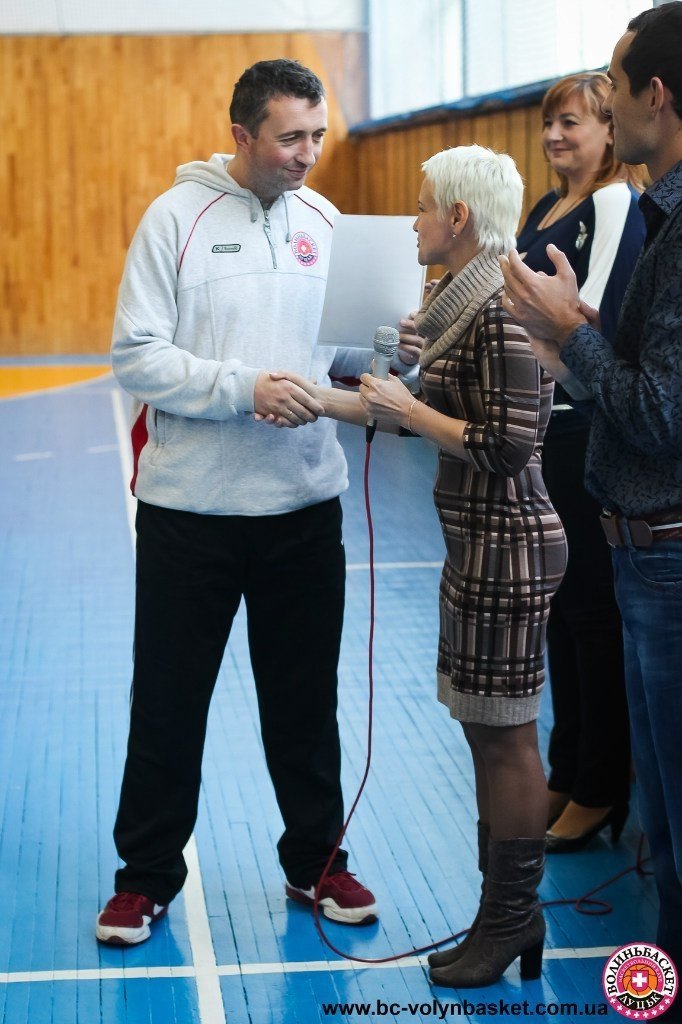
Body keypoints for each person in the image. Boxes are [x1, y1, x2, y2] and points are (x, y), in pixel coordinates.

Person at [96, 58, 420, 945]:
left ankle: (317, 861)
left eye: (317, 135)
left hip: (303, 510)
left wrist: (394, 348)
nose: (308, 155)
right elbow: (136, 355)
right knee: (169, 704)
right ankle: (145, 877)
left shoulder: (326, 222)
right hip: (190, 514)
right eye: (290, 138)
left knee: (304, 703)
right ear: (242, 135)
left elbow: (344, 354)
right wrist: (245, 388)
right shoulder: (175, 219)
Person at [274, 144, 568, 988]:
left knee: (507, 739)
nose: (413, 222)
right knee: (484, 732)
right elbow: (422, 411)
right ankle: (502, 913)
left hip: (510, 546)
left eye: (423, 206)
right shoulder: (459, 303)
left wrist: (405, 404)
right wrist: (321, 400)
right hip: (480, 544)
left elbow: (508, 448)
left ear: (459, 217)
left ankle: (512, 918)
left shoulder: (503, 309)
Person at [500, 1, 682, 976]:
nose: (592, 114)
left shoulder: (650, 218)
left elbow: (653, 405)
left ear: (651, 99)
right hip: (631, 522)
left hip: (657, 530)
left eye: (605, 93)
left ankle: (595, 785)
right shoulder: (650, 211)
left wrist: (564, 333)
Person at [517, 72, 646, 852]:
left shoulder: (614, 202)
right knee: (559, 611)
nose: (555, 136)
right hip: (537, 425)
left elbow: (584, 318)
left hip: (580, 426)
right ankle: (567, 769)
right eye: (549, 124)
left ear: (608, 128)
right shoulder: (545, 208)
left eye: (570, 122)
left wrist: (540, 336)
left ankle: (601, 785)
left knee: (591, 611)